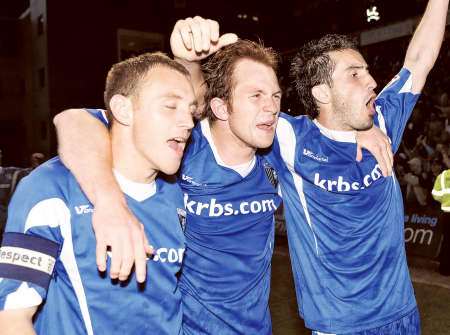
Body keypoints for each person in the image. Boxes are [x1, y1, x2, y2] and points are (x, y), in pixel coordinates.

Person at [270, 0, 447, 333]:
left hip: (402, 316)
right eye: (354, 74)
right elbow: (234, 108)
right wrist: (193, 59)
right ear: (321, 92)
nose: (371, 81)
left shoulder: (381, 120)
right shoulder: (291, 138)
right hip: (341, 325)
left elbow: (418, 61)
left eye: (366, 71)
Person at [0, 52, 196, 334]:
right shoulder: (51, 187)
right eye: (170, 106)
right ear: (123, 109)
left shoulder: (176, 192)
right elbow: (11, 319)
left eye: (190, 110)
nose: (188, 122)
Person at [432, 169, 450, 276]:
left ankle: (444, 269)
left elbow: (435, 194)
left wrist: (445, 200)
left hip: (447, 213)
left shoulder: (442, 176)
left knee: (447, 241)